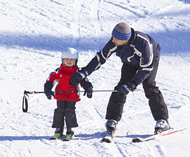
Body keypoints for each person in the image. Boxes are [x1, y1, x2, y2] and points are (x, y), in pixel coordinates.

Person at [69, 22, 171, 135]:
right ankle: (112, 120)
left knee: (149, 86)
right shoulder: (114, 41)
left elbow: (146, 68)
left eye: (116, 38)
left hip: (150, 61)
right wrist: (85, 72)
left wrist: (132, 84)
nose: (112, 40)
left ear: (124, 39)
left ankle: (162, 120)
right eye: (113, 37)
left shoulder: (143, 44)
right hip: (130, 62)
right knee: (120, 87)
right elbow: (101, 57)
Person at [44, 47, 93, 140]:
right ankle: (58, 130)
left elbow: (84, 81)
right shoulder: (59, 71)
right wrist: (48, 89)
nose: (69, 61)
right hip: (60, 95)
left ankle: (70, 130)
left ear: (76, 61)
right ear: (63, 60)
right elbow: (50, 79)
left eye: (71, 59)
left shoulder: (78, 73)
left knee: (69, 112)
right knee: (59, 111)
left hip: (72, 96)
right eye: (66, 59)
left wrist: (88, 87)